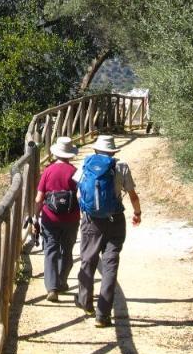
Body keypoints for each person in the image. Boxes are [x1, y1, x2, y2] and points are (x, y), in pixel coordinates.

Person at [75, 134, 141, 328]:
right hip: (115, 220)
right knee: (110, 265)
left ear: (96, 149)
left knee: (88, 260)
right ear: (113, 152)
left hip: (91, 221)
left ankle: (86, 303)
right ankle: (103, 315)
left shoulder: (86, 165)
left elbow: (78, 191)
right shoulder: (121, 167)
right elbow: (133, 195)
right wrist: (137, 213)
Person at [34, 136, 80, 302]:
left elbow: (39, 198)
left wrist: (35, 217)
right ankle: (62, 282)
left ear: (56, 153)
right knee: (67, 251)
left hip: (50, 217)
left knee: (51, 250)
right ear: (70, 154)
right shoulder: (76, 171)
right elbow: (80, 196)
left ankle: (52, 287)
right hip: (71, 218)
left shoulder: (48, 171)